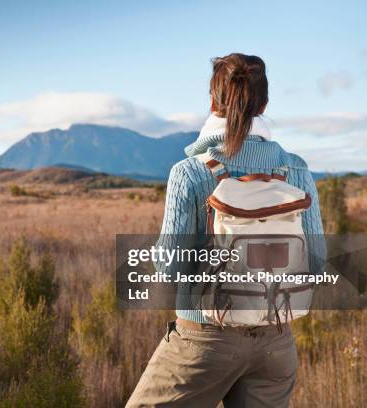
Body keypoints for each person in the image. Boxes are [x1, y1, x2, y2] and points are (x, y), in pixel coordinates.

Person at [126, 53, 325, 408]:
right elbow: (318, 260)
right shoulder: (297, 170)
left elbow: (170, 268)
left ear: (212, 101)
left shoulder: (190, 172)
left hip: (204, 340)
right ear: (264, 104)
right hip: (276, 342)